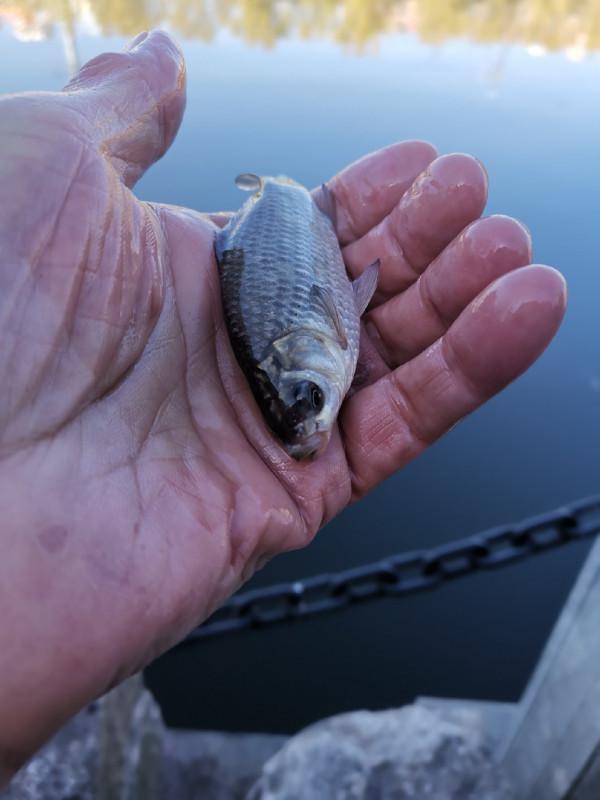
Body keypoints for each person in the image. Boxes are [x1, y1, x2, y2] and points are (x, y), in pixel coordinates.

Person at [0, 29, 566, 785]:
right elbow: (351, 300)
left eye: (305, 400)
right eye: (306, 401)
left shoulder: (311, 317)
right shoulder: (315, 346)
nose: (313, 426)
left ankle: (279, 197)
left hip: (283, 220)